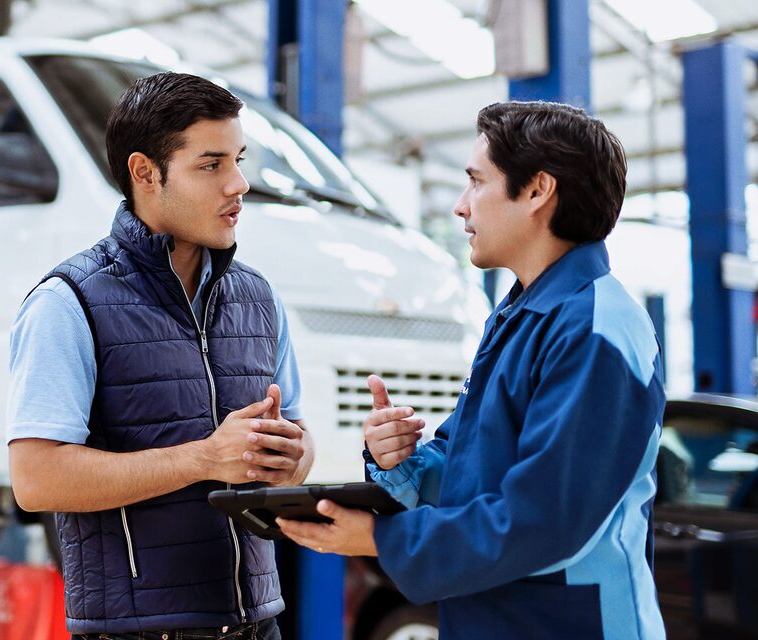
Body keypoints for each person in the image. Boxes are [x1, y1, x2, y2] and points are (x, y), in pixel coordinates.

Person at [278, 101, 666, 639]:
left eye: (477, 182)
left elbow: (546, 518)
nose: (461, 207)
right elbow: (470, 471)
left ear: (538, 190)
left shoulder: (597, 328)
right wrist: (402, 462)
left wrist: (381, 539)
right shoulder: (518, 316)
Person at [7, 72, 313, 640]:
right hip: (138, 629)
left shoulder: (259, 298)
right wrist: (205, 459)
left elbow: (296, 442)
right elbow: (36, 479)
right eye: (211, 165)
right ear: (145, 173)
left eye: (238, 160)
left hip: (258, 620)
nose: (239, 184)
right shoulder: (68, 302)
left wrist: (291, 456)